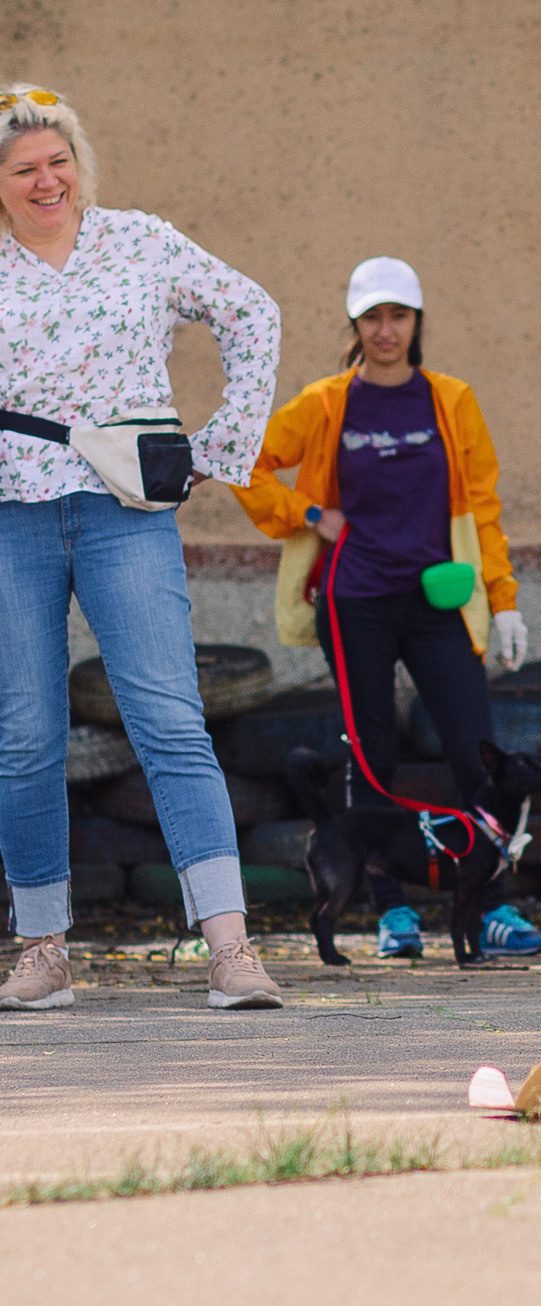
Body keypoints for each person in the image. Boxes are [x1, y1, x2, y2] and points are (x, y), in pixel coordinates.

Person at [0, 86, 285, 1010]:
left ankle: (231, 950)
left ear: (78, 164)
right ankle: (42, 951)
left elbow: (254, 314)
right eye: (24, 169)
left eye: (59, 161)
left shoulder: (141, 243)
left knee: (170, 720)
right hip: (10, 516)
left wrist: (220, 445)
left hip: (126, 512)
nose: (47, 180)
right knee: (25, 735)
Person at [230, 257, 541, 960]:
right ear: (354, 325)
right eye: (372, 318)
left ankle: (491, 911)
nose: (385, 330)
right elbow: (245, 461)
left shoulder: (452, 400)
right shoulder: (324, 403)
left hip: (437, 600)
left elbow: (484, 508)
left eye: (398, 316)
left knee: (476, 752)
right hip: (355, 602)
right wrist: (309, 513)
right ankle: (391, 913)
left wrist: (504, 603)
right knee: (371, 758)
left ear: (417, 322)